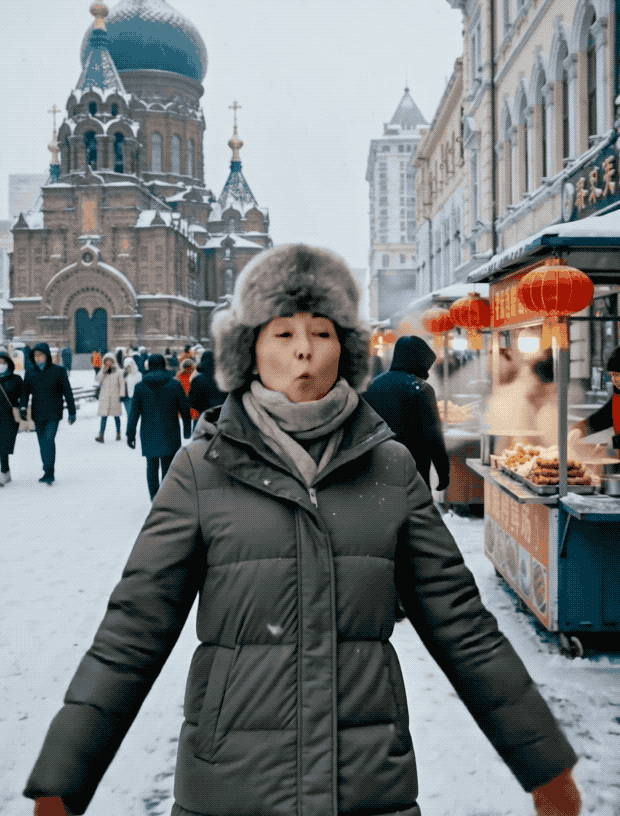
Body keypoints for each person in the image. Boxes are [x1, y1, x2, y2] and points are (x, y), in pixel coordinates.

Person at [24, 245, 581, 816]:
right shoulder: (201, 469)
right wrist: (64, 779)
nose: (305, 352)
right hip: (232, 789)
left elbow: (462, 626)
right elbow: (133, 630)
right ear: (251, 350)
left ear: (346, 349)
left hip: (366, 786)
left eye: (322, 332)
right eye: (283, 333)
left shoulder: (389, 469)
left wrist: (545, 765)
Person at [364, 335, 451, 491]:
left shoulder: (373, 385)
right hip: (412, 467)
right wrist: (443, 471)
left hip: (376, 466)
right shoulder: (421, 388)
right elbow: (433, 435)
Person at [125, 353, 191, 500]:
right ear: (163, 364)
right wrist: (187, 430)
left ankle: (154, 497)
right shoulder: (175, 384)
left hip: (149, 433)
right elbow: (185, 409)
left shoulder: (140, 387)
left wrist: (130, 434)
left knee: (152, 466)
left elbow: (134, 414)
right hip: (171, 431)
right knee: (168, 467)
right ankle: (166, 498)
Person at [20, 342, 76, 485]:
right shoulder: (30, 373)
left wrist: (72, 411)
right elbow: (25, 393)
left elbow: (67, 392)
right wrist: (23, 408)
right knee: (42, 443)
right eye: (35, 355)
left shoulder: (58, 371)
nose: (38, 358)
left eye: (40, 355)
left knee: (48, 441)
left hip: (53, 413)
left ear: (46, 355)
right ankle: (47, 469)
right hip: (38, 414)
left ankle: (49, 472)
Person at [571, 345, 620, 448]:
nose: (615, 380)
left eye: (618, 374)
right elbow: (602, 418)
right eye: (612, 375)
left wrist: (612, 444)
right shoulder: (618, 396)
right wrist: (579, 429)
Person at [0, 350, 24, 486]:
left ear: (8, 363)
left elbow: (23, 395)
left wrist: (22, 407)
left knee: (4, 445)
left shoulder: (16, 379)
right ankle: (4, 472)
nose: (0, 364)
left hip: (9, 418)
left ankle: (4, 471)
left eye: (2, 362)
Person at [187, 348, 226, 421]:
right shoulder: (224, 379)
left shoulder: (197, 380)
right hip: (222, 418)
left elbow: (192, 403)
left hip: (204, 418)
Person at [95, 353, 125, 443]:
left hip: (115, 397)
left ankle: (118, 433)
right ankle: (101, 436)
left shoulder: (118, 371)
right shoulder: (103, 370)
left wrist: (121, 394)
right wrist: (104, 371)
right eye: (106, 360)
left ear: (113, 361)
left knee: (116, 416)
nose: (108, 362)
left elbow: (122, 384)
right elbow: (98, 380)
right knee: (103, 417)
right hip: (105, 397)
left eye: (110, 360)